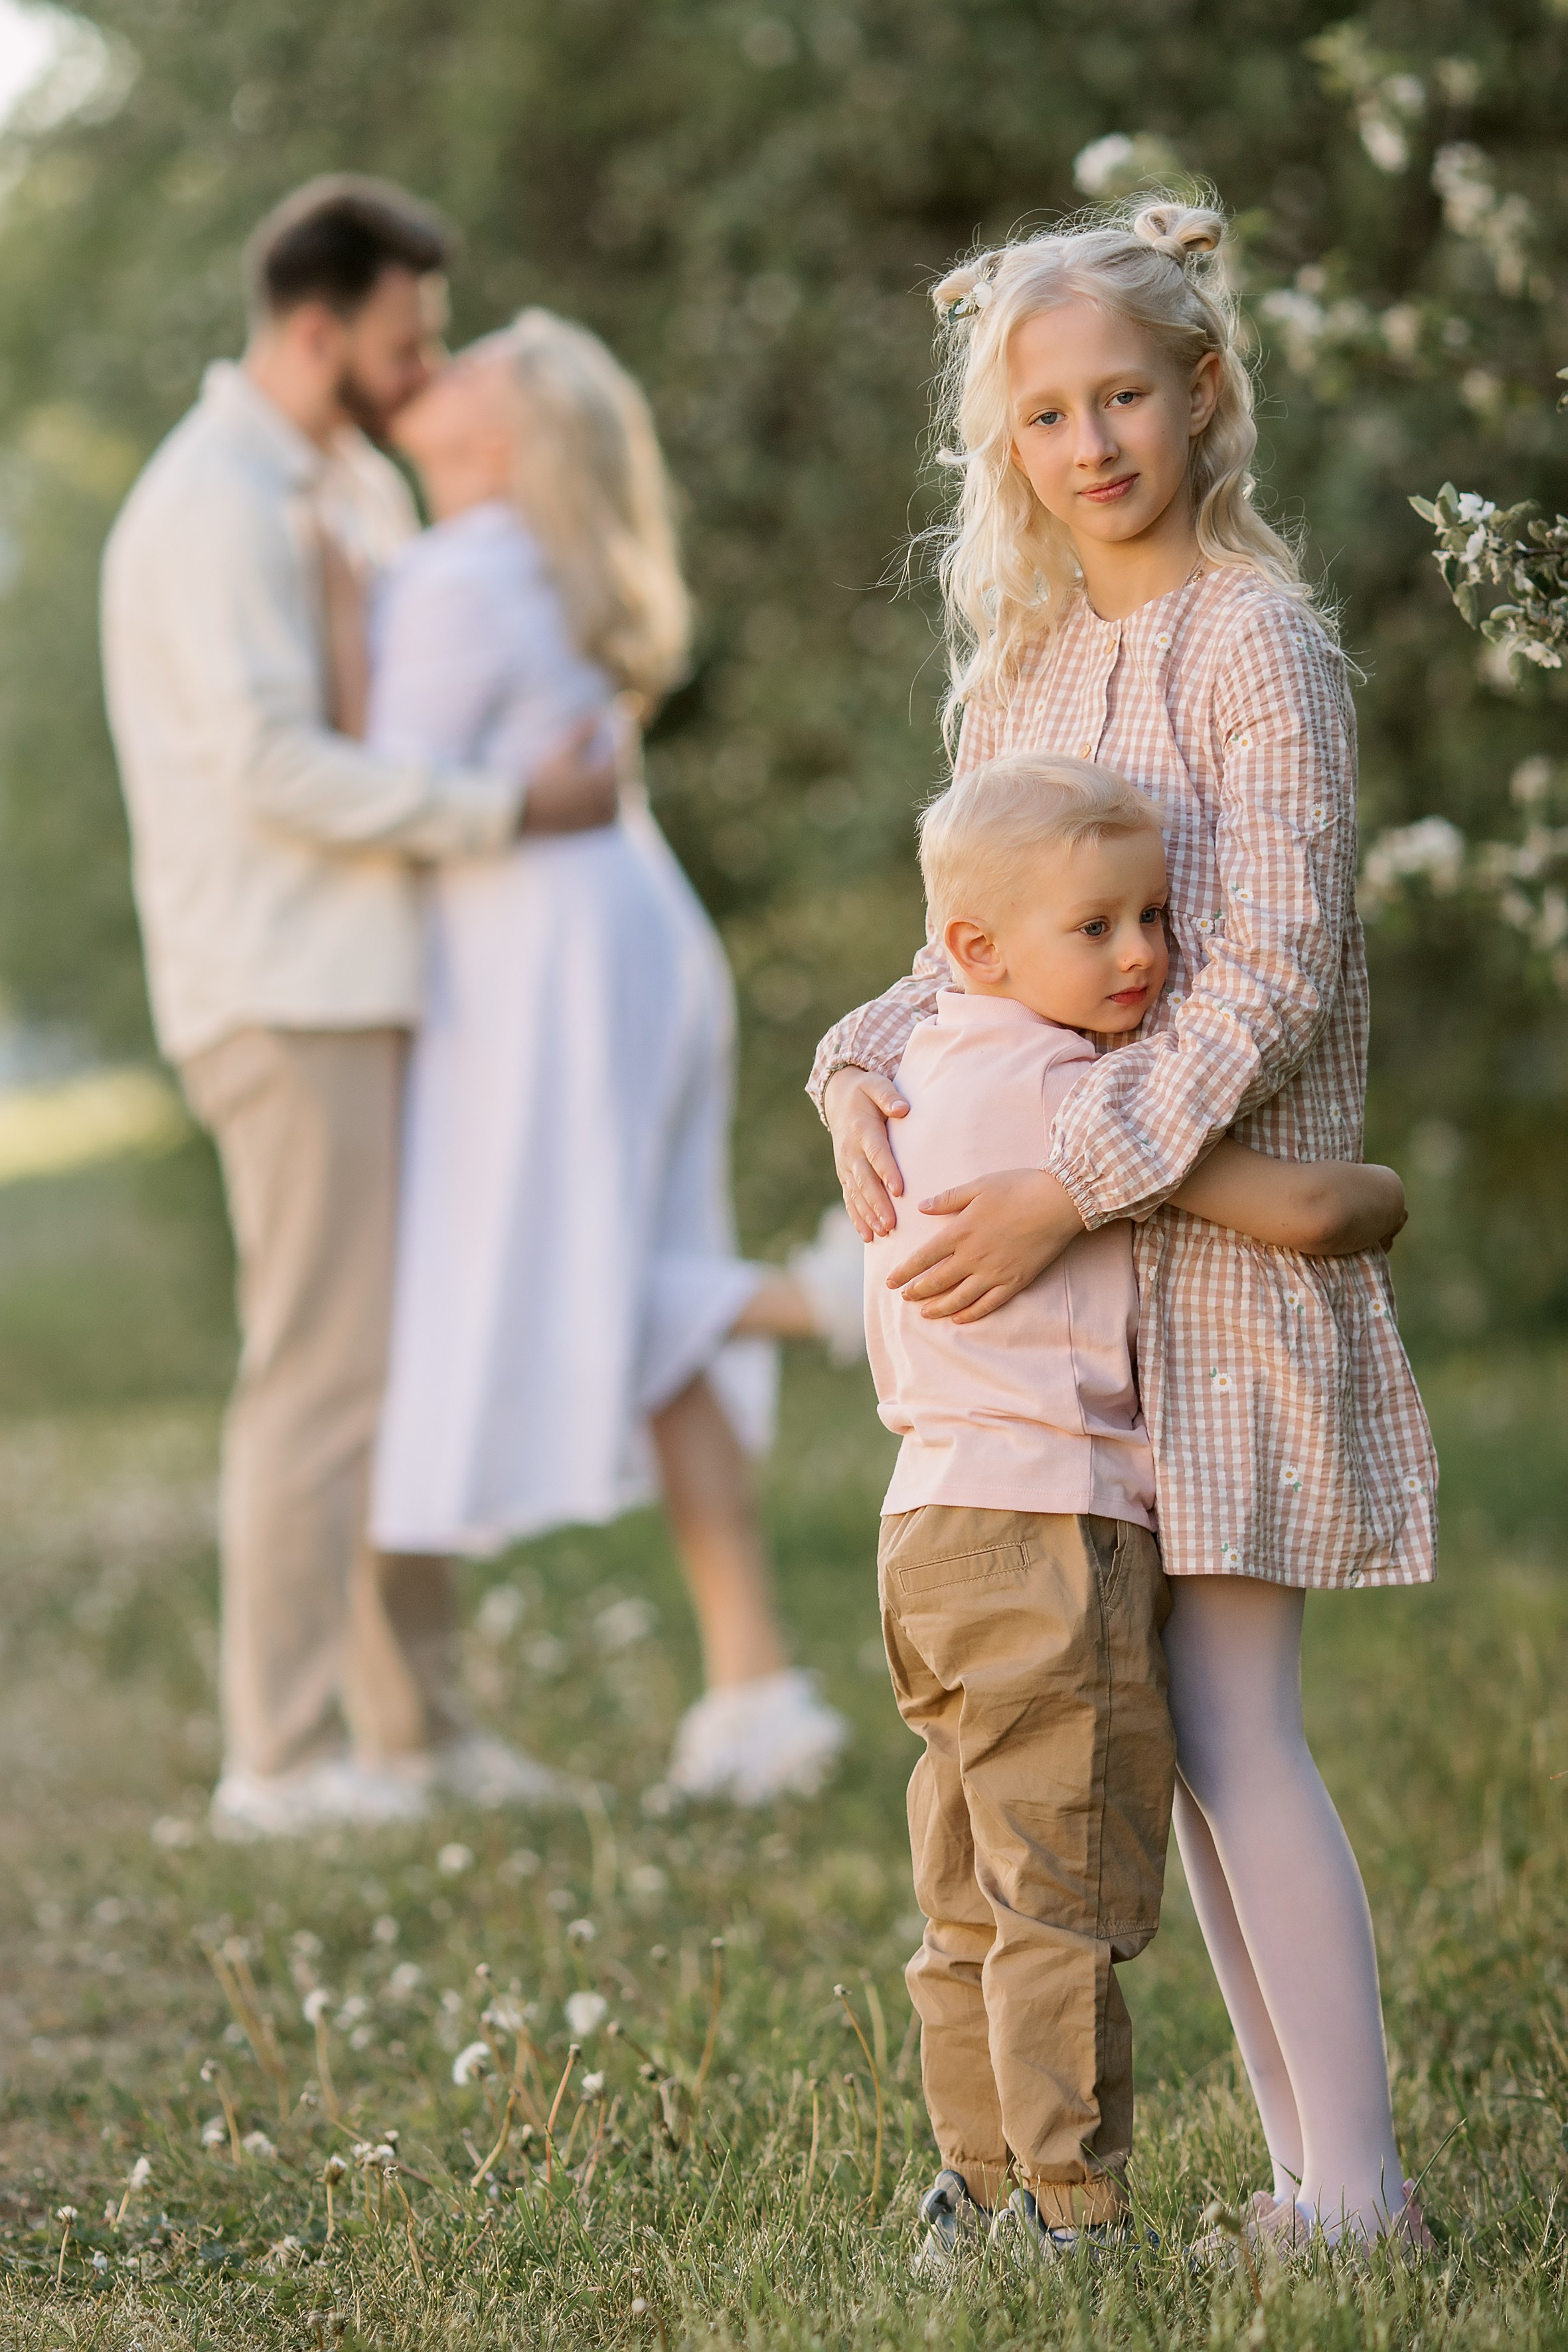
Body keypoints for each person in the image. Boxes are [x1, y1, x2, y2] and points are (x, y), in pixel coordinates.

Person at [811, 199, 1439, 2253]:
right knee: (1139, 1752)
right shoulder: (1018, 671)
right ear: (1004, 440)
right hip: (1062, 1326)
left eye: (1126, 399)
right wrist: (852, 1066)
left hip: (1213, 1265)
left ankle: (1349, 2192)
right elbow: (958, 955)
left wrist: (1072, 1174)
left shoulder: (1254, 645)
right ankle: (1294, 2177)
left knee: (1238, 1722)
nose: (1090, 444)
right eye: (1048, 412)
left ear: (1203, 397)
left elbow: (1258, 978)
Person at [102, 177, 622, 1840]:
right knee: (321, 1371)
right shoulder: (211, 507)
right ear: (318, 325)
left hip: (382, 977)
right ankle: (279, 1754)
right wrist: (502, 813)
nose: (429, 363)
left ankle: (415, 1724)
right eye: (410, 335)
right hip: (285, 987)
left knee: (404, 1358)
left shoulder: (339, 480)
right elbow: (271, 764)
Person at [872, 749, 1408, 2268]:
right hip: (1050, 1532)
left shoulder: (915, 1064)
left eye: (1154, 917)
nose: (1140, 957)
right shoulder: (1072, 1093)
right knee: (1064, 1896)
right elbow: (1308, 1213)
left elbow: (870, 1035)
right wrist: (1381, 1189)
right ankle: (1072, 2212)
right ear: (977, 948)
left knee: (970, 1888)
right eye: (1094, 927)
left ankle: (974, 2189)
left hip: (927, 1529)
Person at [356, 310, 852, 1806]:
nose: (438, 363)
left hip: (544, 962)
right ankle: (754, 1684)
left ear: (504, 436)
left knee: (558, 1272)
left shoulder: (460, 571)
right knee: (635, 1280)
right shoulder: (539, 566)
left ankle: (835, 1297)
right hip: (629, 935)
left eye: (477, 361)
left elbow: (377, 796)